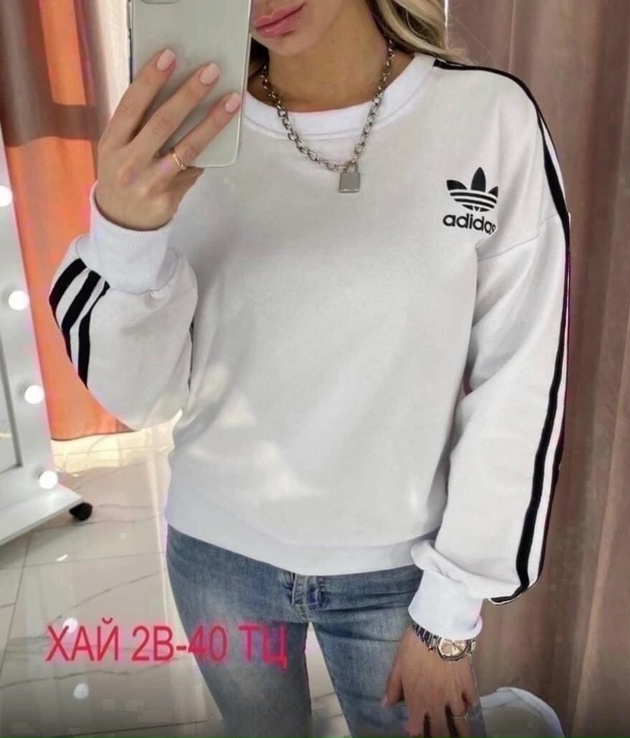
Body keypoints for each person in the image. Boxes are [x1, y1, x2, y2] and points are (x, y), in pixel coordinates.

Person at [48, 0, 571, 736]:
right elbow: (145, 399)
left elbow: (520, 382)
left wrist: (450, 614)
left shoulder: (488, 118)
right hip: (217, 557)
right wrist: (125, 236)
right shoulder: (185, 135)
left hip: (400, 575)